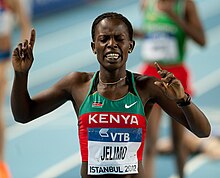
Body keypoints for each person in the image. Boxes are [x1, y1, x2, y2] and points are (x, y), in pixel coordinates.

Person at [10, 12, 210, 178]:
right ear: (93, 47)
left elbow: (203, 131)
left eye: (119, 39)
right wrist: (21, 74)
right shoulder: (77, 84)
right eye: (104, 39)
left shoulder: (146, 87)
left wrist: (183, 99)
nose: (111, 44)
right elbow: (24, 115)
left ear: (130, 46)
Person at [134, 0, 206, 177]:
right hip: (150, 75)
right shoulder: (146, 4)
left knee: (178, 140)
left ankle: (182, 175)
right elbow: (153, 34)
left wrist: (175, 17)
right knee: (150, 142)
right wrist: (138, 34)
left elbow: (201, 40)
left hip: (175, 76)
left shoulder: (185, 5)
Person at [0, 0, 31, 177]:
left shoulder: (11, 1)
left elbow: (25, 25)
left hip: (1, 62)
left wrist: (21, 52)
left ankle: (1, 163)